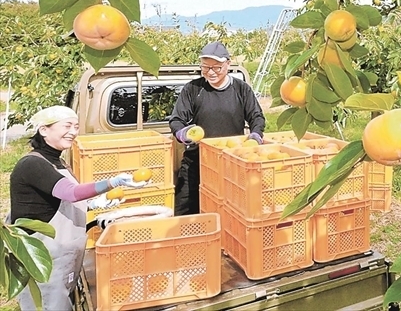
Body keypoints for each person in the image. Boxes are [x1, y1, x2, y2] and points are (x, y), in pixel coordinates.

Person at [8, 106, 147, 311]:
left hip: (62, 255)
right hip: (43, 257)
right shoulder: (32, 164)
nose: (73, 131)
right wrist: (114, 182)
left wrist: (92, 204)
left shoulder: (57, 161)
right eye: (67, 126)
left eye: (76, 126)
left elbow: (55, 201)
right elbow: (71, 193)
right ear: (44, 130)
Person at [170, 41, 265, 215]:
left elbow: (256, 117)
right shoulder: (193, 89)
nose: (211, 72)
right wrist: (183, 134)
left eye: (217, 67)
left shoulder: (241, 89)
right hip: (197, 161)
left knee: (229, 210)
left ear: (228, 64)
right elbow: (176, 120)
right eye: (205, 67)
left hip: (232, 162)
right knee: (185, 211)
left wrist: (255, 135)